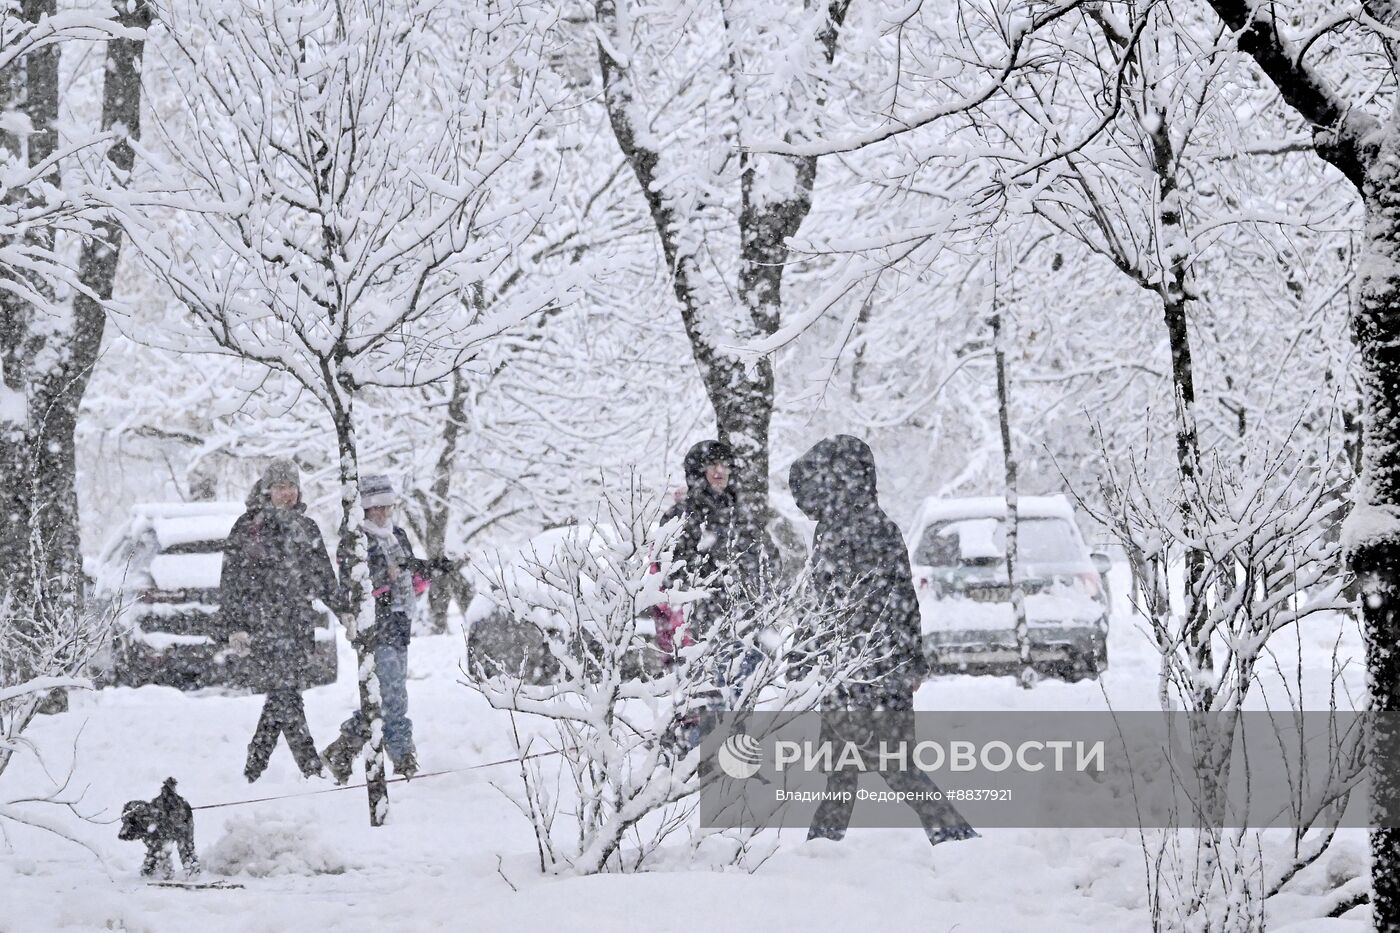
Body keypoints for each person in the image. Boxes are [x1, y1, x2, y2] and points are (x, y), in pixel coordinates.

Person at [788, 434, 977, 847]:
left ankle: (957, 837)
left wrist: (908, 660)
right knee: (845, 768)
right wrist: (805, 651)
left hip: (874, 667)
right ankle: (822, 849)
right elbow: (822, 602)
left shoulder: (870, 527)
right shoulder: (834, 528)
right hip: (848, 668)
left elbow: (897, 596)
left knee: (890, 765)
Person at [222, 459, 343, 782]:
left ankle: (255, 767)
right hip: (262, 625)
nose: (286, 493)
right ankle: (310, 767)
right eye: (279, 487)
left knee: (284, 694)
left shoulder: (307, 528)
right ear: (267, 490)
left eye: (291, 486)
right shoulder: (248, 527)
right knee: (286, 692)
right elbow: (231, 580)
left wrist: (344, 611)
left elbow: (324, 578)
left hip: (297, 625)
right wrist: (235, 625)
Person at [322, 475, 447, 784]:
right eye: (373, 508)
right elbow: (354, 585)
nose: (380, 513)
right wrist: (384, 584)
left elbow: (409, 578)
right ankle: (403, 756)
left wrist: (428, 571)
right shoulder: (354, 539)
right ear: (362, 509)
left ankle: (344, 748)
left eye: (385, 507)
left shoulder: (398, 535)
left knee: (385, 697)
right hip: (372, 627)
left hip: (399, 624)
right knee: (391, 697)